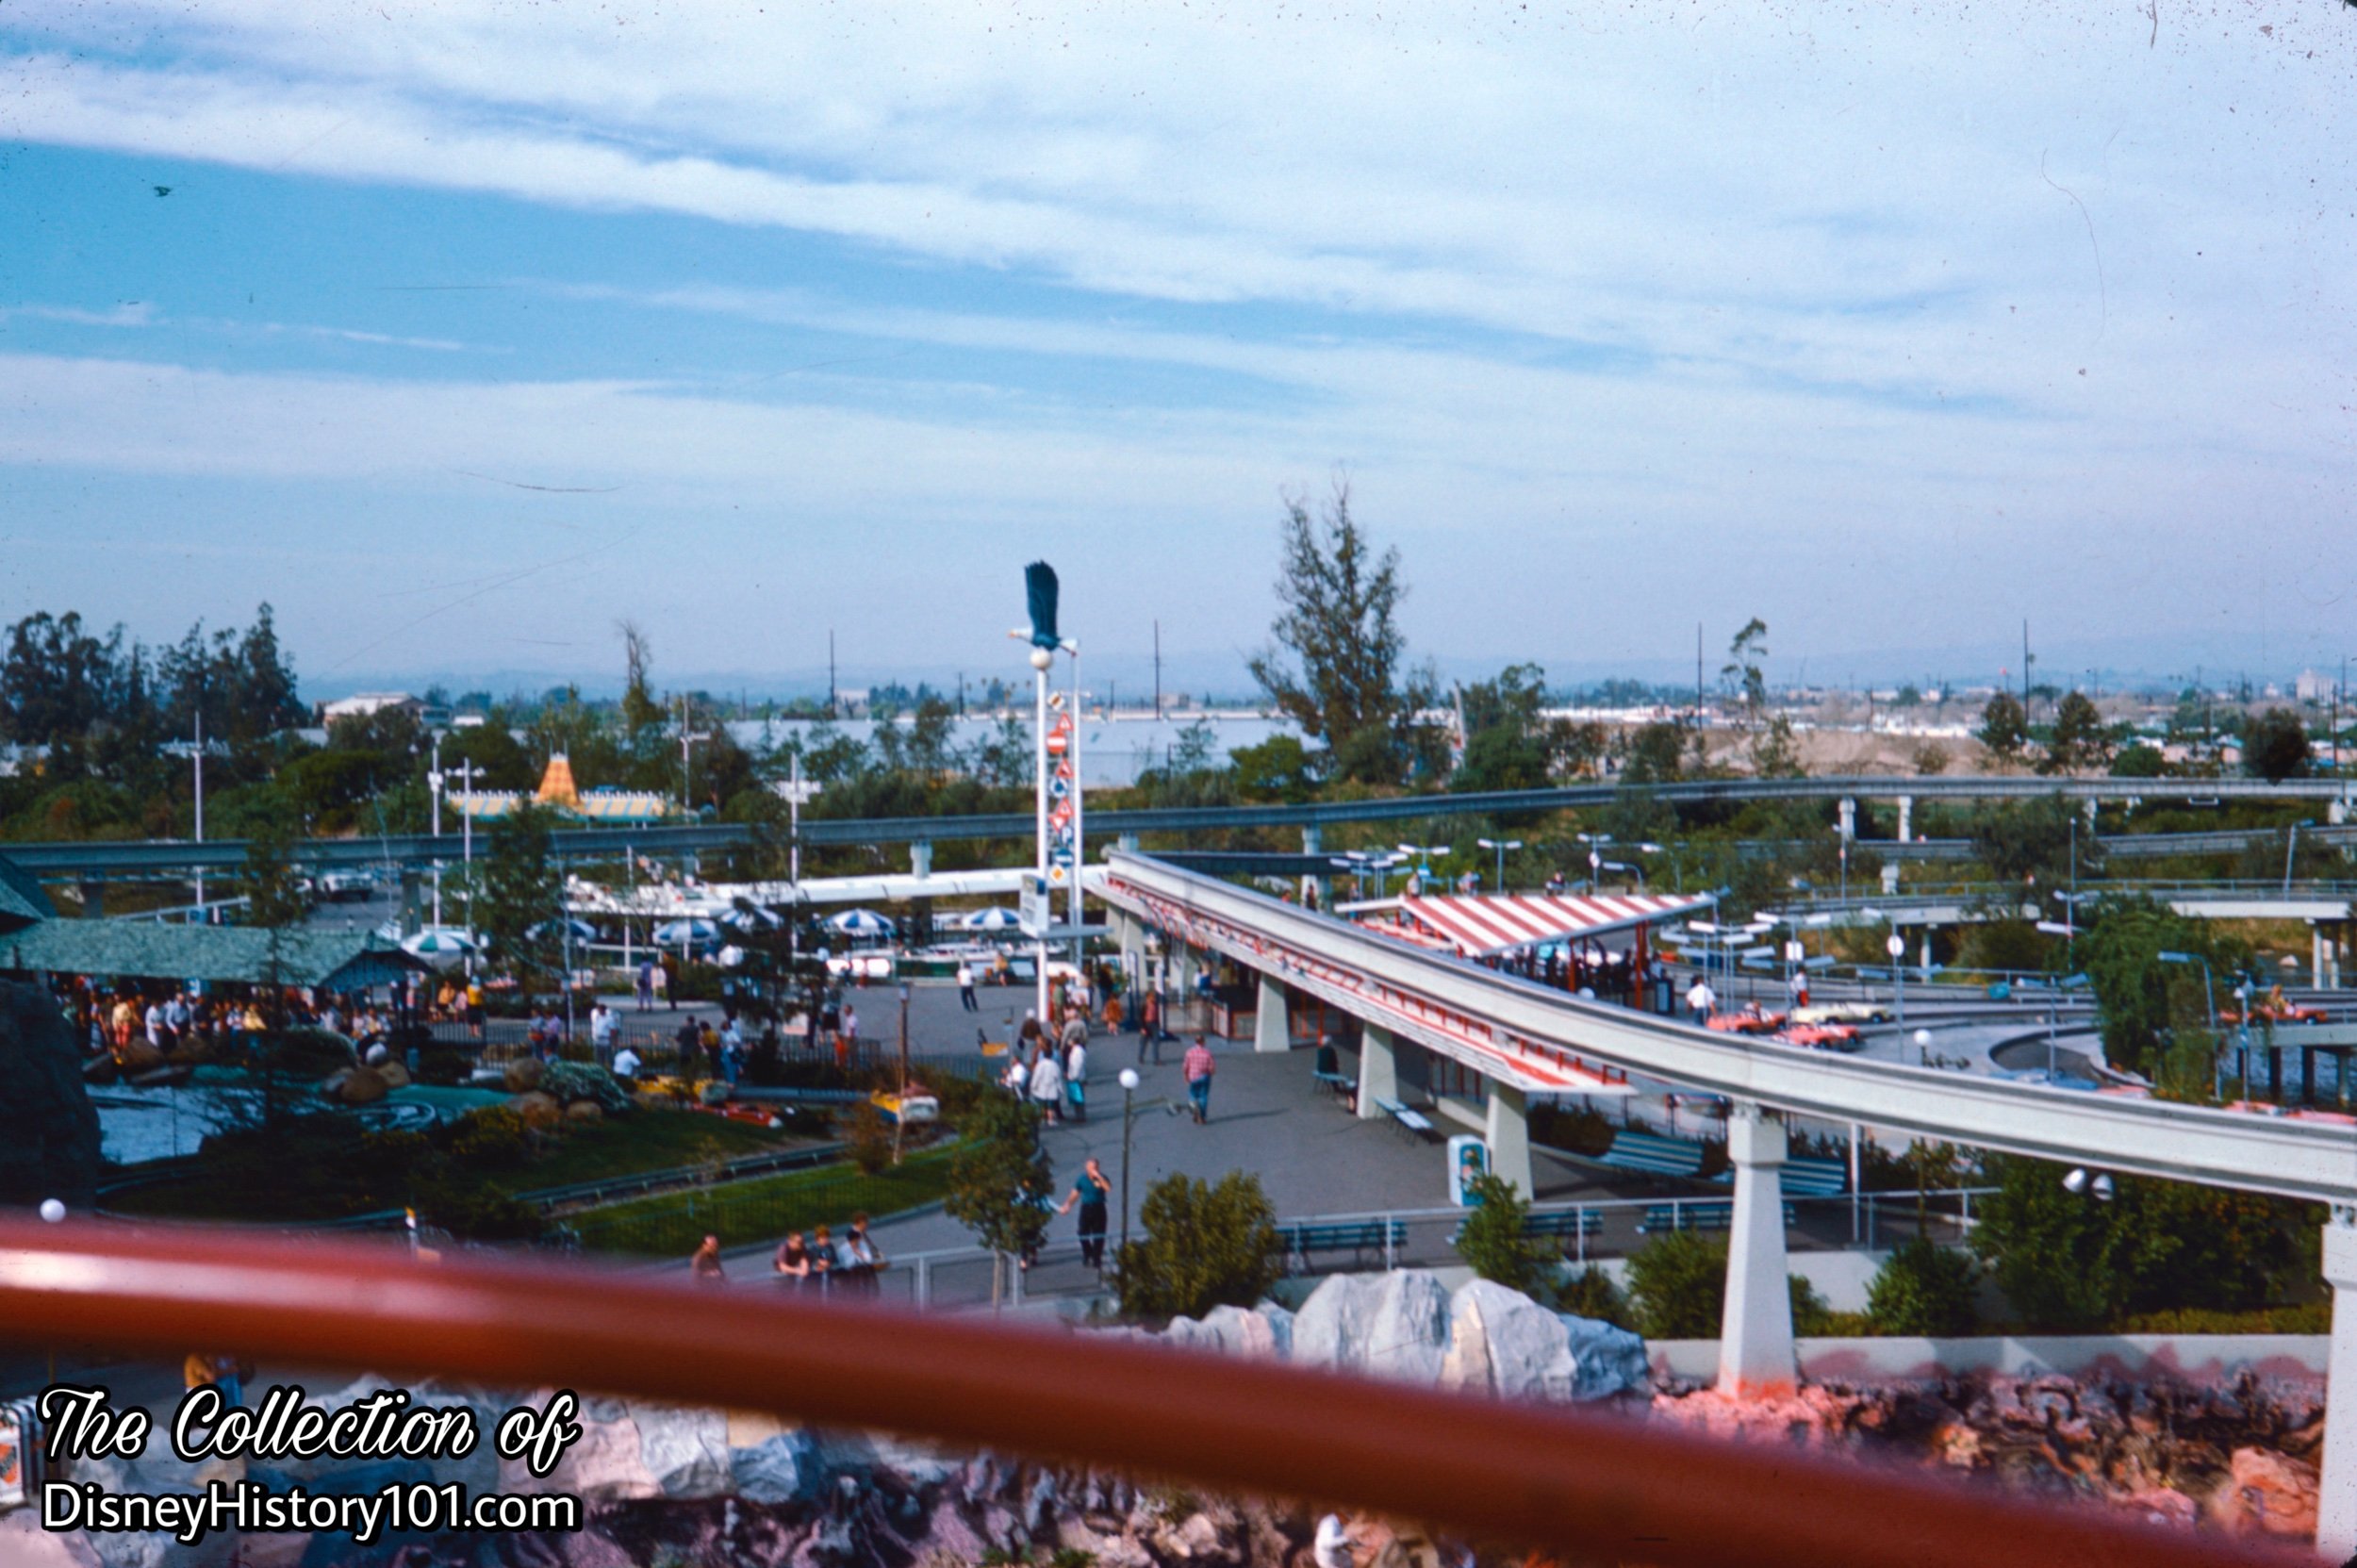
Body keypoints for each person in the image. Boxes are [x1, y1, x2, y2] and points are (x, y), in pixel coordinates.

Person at [1059, 1156, 1113, 1270]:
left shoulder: (1102, 1178)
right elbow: (1075, 1193)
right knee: (1082, 1232)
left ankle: (1097, 1258)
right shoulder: (1082, 1179)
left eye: (1096, 1167)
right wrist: (1067, 1204)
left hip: (1099, 1207)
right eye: (1092, 1167)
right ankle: (1088, 1252)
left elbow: (1108, 1188)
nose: (1095, 1169)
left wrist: (1099, 1177)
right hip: (1086, 1207)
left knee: (1099, 1234)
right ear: (1087, 1168)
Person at [837, 1213, 884, 1295]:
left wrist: (876, 1254)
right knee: (863, 1289)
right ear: (860, 1222)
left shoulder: (862, 1233)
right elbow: (855, 1251)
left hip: (865, 1264)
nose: (867, 1225)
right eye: (865, 1223)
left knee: (871, 1290)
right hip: (858, 1267)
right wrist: (871, 1256)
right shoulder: (854, 1234)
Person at [1181, 1034, 1216, 1124]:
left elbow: (1185, 1066)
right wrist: (1210, 1073)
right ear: (1203, 1042)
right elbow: (1212, 1068)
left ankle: (1194, 1111)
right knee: (1203, 1096)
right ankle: (1202, 1116)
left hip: (1193, 1077)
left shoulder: (1189, 1052)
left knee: (1193, 1095)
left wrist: (1186, 1076)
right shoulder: (1207, 1052)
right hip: (1204, 1077)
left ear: (1195, 1041)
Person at [1030, 1045, 1064, 1123]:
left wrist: (1033, 1086)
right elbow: (1058, 1077)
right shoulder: (1054, 1065)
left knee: (1042, 1105)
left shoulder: (1040, 1065)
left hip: (1041, 1088)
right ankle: (1050, 1120)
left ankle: (1042, 1119)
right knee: (1050, 1106)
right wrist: (1060, 1088)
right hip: (1052, 1087)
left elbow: (1036, 1076)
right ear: (1051, 1055)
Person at [1064, 1032, 1088, 1123]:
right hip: (1076, 1077)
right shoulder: (1076, 1050)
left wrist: (1072, 1076)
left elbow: (1077, 1065)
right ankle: (1078, 1115)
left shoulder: (1078, 1052)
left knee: (1079, 1098)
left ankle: (1080, 1116)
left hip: (1077, 1078)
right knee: (1077, 1098)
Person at [1138, 989, 1162, 1065]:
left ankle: (1156, 1059)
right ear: (1148, 997)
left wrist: (1158, 1025)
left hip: (1154, 1024)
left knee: (1156, 1043)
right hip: (1146, 1025)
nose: (1153, 998)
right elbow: (1141, 1017)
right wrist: (1142, 1028)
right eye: (1152, 997)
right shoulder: (1144, 1005)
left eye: (1154, 996)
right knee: (1144, 1043)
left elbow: (1157, 1015)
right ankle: (1141, 1057)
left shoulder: (1155, 1004)